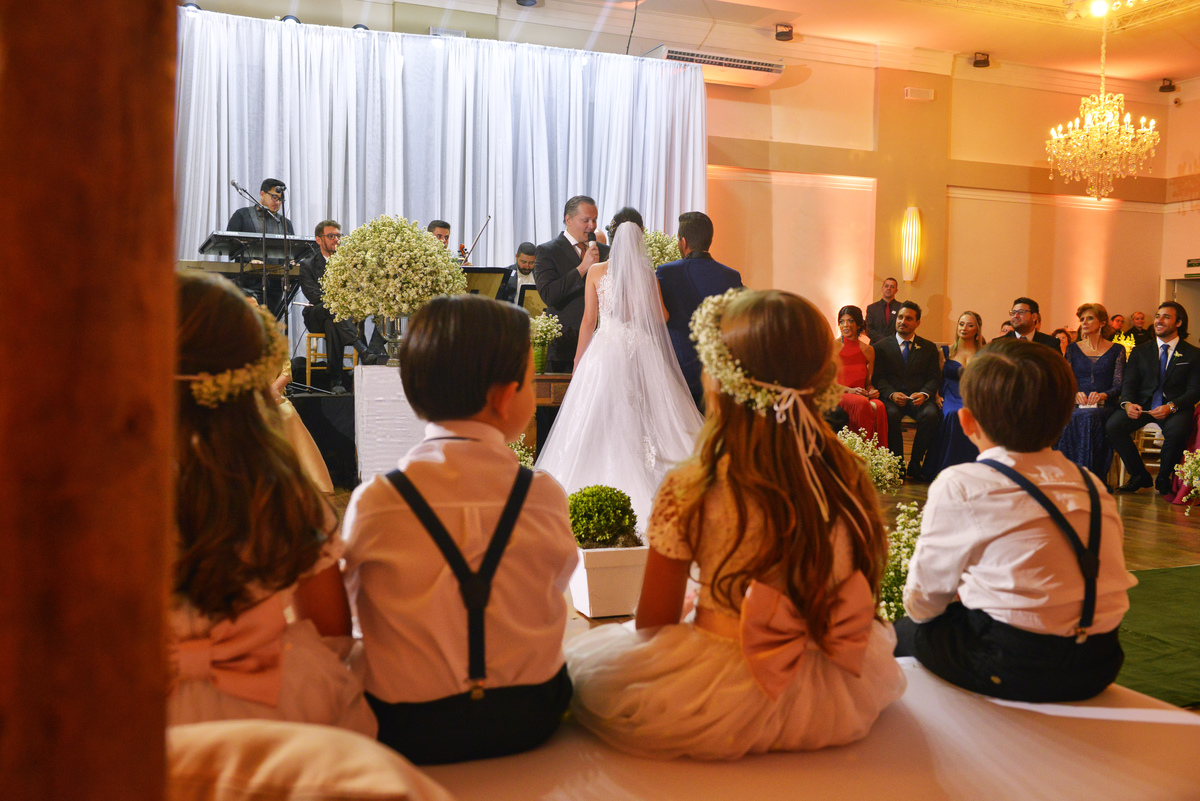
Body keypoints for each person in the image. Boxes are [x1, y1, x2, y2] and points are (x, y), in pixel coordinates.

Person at [564, 288, 905, 760]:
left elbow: (653, 624)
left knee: (586, 680)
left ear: (721, 378)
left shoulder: (694, 486)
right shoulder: (847, 475)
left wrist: (704, 610)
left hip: (719, 691)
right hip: (834, 684)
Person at [341, 295, 577, 765]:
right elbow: (557, 588)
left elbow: (350, 610)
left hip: (406, 725)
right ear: (506, 397)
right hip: (531, 714)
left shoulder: (377, 500)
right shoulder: (543, 494)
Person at [169, 272, 375, 736]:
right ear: (251, 371)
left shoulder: (96, 494)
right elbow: (333, 634)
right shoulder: (287, 492)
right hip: (277, 706)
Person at [895, 338, 1136, 702]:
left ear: (966, 420)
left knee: (897, 631)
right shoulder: (1093, 485)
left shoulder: (962, 483)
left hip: (1012, 665)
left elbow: (923, 603)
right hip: (1099, 662)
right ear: (1064, 417)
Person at [535, 221, 703, 528]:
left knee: (599, 414)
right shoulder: (647, 275)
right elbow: (662, 317)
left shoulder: (597, 271)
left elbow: (588, 321)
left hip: (606, 347)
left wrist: (578, 362)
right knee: (648, 413)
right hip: (641, 348)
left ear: (613, 241)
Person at [1109, 302, 1200, 495]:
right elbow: (1129, 383)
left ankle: (1164, 478)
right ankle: (1139, 475)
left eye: (1166, 317)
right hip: (1143, 406)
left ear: (1179, 323)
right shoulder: (1140, 351)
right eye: (1158, 316)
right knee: (1113, 426)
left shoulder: (1193, 354)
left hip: (1176, 408)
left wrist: (1172, 406)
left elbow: (1195, 390)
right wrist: (1127, 404)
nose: (1159, 320)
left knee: (1177, 432)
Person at [656, 211, 744, 410]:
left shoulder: (666, 272)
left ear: (684, 242)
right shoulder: (731, 276)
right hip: (718, 374)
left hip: (678, 370)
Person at [533, 195, 610, 373]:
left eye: (595, 219)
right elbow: (548, 294)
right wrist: (583, 268)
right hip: (563, 348)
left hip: (601, 346)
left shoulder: (605, 252)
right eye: (586, 220)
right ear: (568, 220)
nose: (592, 226)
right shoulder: (547, 251)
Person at [298, 220, 374, 394]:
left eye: (338, 236)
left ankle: (336, 379)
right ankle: (360, 347)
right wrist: (339, 300)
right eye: (331, 236)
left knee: (332, 325)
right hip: (316, 314)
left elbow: (357, 291)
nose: (336, 240)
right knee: (330, 307)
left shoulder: (349, 263)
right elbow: (314, 296)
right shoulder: (308, 264)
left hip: (338, 317)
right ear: (319, 240)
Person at [873, 301, 942, 479]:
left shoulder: (928, 348)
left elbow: (934, 377)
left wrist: (925, 393)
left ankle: (915, 463)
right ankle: (897, 464)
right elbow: (878, 377)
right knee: (891, 414)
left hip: (918, 398)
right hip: (891, 398)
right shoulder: (880, 347)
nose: (903, 321)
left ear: (917, 323)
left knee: (931, 414)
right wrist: (891, 393)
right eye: (900, 317)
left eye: (909, 319)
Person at [1058, 303, 1125, 482]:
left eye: (1089, 318)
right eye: (1082, 319)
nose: (1084, 322)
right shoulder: (1073, 349)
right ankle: (1068, 476)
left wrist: (1103, 395)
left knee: (1089, 416)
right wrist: (1075, 394)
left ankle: (1090, 478)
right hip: (1076, 404)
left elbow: (1119, 385)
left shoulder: (1117, 350)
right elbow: (1066, 381)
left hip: (1104, 405)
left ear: (1102, 322)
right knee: (1069, 416)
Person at [923, 311, 985, 480]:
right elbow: (937, 376)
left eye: (969, 325)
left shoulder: (983, 353)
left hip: (972, 393)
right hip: (950, 392)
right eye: (961, 324)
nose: (964, 328)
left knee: (975, 415)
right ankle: (948, 467)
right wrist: (936, 395)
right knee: (953, 414)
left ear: (977, 330)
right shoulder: (946, 351)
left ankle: (971, 468)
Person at [835, 305, 887, 444]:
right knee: (862, 403)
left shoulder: (869, 350)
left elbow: (868, 383)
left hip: (860, 393)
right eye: (842, 321)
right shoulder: (831, 347)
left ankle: (877, 456)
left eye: (850, 321)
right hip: (838, 393)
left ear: (858, 324)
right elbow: (825, 382)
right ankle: (861, 451)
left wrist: (872, 391)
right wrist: (849, 390)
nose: (845, 325)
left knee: (880, 406)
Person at [227, 178, 295, 237]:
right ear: (262, 194)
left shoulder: (286, 223)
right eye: (274, 198)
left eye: (280, 199)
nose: (277, 203)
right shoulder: (242, 216)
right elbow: (228, 245)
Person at [865, 277, 902, 343]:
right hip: (876, 346)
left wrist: (892, 341)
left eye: (892, 287)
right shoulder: (872, 308)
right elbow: (868, 329)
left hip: (895, 346)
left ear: (896, 290)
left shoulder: (901, 308)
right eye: (886, 286)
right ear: (882, 288)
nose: (889, 288)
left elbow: (902, 327)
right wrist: (885, 341)